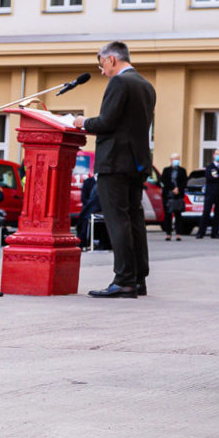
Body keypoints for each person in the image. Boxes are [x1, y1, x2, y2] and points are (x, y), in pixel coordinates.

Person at [75, 41, 156, 299]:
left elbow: (107, 122)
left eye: (101, 64)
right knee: (134, 219)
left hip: (114, 162)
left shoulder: (119, 83)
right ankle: (138, 278)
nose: (101, 71)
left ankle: (123, 280)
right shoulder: (146, 84)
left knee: (117, 219)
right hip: (137, 162)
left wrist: (82, 122)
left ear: (111, 59)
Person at [197, 151, 219, 239]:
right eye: (216, 154)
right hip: (210, 193)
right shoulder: (210, 167)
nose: (218, 156)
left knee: (218, 213)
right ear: (213, 156)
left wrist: (218, 177)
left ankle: (215, 233)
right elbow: (209, 177)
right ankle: (201, 233)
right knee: (206, 212)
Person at [156, 154, 186, 241]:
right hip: (168, 195)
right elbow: (164, 180)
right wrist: (173, 188)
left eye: (178, 159)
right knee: (168, 215)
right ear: (171, 160)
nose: (176, 160)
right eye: (175, 159)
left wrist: (178, 189)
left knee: (178, 215)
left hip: (178, 195)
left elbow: (184, 181)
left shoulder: (182, 170)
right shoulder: (166, 170)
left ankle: (178, 234)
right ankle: (168, 233)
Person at [75, 174, 102, 250]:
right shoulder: (88, 182)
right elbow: (83, 198)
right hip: (91, 206)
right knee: (84, 218)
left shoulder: (102, 183)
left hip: (97, 207)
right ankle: (83, 242)